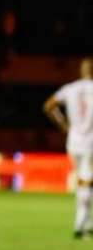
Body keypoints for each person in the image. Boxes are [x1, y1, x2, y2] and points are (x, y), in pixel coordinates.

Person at [43, 57, 93, 238]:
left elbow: (49, 106)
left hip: (73, 142)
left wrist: (63, 124)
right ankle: (80, 226)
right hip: (90, 143)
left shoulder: (70, 88)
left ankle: (87, 222)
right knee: (87, 181)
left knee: (83, 181)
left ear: (82, 71)